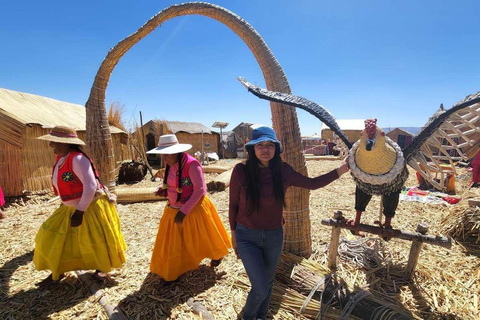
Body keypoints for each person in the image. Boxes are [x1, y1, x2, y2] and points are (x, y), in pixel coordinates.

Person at [229, 126, 350, 320]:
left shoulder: (283, 171)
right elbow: (233, 206)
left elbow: (312, 184)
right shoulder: (241, 171)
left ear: (276, 148)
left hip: (273, 236)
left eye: (270, 145)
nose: (265, 149)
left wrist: (341, 170)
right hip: (247, 236)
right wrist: (234, 235)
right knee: (259, 287)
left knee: (268, 282)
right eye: (260, 145)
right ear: (252, 148)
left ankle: (261, 315)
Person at [33, 126, 126, 287]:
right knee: (49, 236)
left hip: (89, 208)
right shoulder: (61, 158)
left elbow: (90, 186)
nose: (51, 145)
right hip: (69, 208)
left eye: (54, 142)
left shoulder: (78, 159)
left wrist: (80, 212)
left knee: (95, 241)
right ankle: (58, 270)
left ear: (65, 143)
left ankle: (101, 269)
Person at [148, 134, 231, 282]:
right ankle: (172, 271)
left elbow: (200, 190)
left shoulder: (192, 165)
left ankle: (217, 254)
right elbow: (170, 182)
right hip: (173, 208)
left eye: (167, 153)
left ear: (177, 151)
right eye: (162, 153)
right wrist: (163, 188)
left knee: (204, 236)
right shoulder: (169, 164)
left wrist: (184, 211)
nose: (164, 157)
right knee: (173, 243)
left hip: (194, 209)